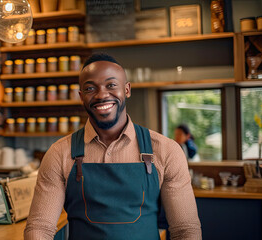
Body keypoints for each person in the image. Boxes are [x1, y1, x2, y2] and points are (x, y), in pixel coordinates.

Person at [24, 53, 201, 239]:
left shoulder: (166, 151)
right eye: (90, 88)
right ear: (81, 96)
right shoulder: (59, 153)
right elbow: (40, 228)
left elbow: (185, 230)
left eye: (111, 85)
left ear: (127, 90)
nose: (101, 95)